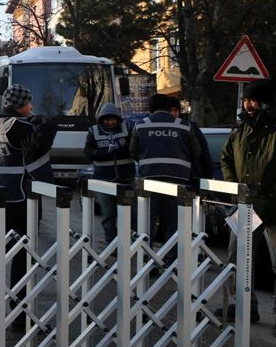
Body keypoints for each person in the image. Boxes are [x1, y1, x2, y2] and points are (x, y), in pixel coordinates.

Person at [0, 84, 58, 321]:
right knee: (21, 256)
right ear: (18, 105)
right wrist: (47, 123)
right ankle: (19, 313)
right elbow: (41, 144)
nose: (31, 107)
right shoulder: (18, 125)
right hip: (22, 197)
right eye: (27, 103)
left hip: (0, 196)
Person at [220, 78, 276, 327]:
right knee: (237, 255)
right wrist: (236, 189)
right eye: (245, 100)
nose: (248, 104)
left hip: (273, 204)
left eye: (252, 100)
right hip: (246, 202)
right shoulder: (239, 128)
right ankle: (243, 305)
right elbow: (226, 158)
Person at [129, 93, 201, 266]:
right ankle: (172, 262)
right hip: (177, 179)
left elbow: (132, 151)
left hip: (149, 180)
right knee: (174, 222)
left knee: (148, 221)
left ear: (150, 108)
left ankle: (146, 261)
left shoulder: (140, 126)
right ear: (169, 108)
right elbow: (197, 152)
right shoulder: (185, 126)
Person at [83, 102, 136, 246]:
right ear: (101, 120)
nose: (110, 122)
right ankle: (111, 244)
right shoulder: (93, 131)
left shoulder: (129, 128)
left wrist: (123, 149)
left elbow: (135, 148)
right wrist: (104, 153)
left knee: (132, 214)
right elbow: (88, 153)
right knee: (108, 215)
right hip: (103, 179)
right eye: (106, 120)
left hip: (127, 177)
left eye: (113, 119)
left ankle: (132, 243)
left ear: (118, 119)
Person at [168, 97, 214, 182]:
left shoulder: (189, 126)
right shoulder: (163, 129)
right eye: (170, 110)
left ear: (179, 112)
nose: (172, 113)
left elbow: (203, 150)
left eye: (175, 110)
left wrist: (208, 173)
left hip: (190, 174)